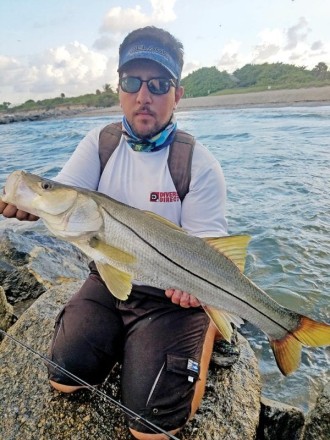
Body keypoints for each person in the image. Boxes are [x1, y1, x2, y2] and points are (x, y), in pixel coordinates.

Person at [0, 26, 234, 439]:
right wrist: (30, 203)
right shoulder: (100, 143)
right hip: (110, 273)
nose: (145, 95)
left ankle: (212, 324)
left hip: (172, 297)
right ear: (119, 89)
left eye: (159, 84)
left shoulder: (197, 163)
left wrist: (203, 292)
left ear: (177, 94)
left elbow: (210, 252)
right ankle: (134, 342)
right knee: (64, 377)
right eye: (133, 82)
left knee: (151, 427)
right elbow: (62, 194)